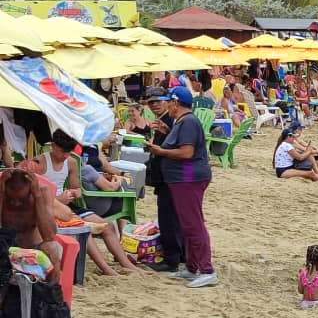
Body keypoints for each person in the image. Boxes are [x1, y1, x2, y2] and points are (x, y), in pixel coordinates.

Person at [36, 130, 138, 275]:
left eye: (68, 152)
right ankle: (107, 269)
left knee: (107, 226)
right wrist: (59, 199)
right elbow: (37, 196)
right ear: (53, 146)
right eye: (62, 151)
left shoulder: (71, 162)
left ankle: (127, 265)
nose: (65, 155)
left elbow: (76, 188)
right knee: (84, 230)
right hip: (48, 207)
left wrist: (74, 193)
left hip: (66, 204)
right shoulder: (40, 162)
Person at [148, 86, 217, 288]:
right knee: (188, 225)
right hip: (183, 178)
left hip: (188, 178)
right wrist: (167, 133)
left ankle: (206, 269)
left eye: (169, 101)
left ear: (176, 103)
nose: (167, 105)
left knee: (193, 224)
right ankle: (192, 267)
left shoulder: (187, 121)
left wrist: (160, 151)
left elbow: (187, 153)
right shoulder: (183, 122)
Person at [142, 87, 184, 272]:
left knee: (169, 218)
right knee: (174, 217)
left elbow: (180, 148)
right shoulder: (165, 120)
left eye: (158, 101)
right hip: (168, 176)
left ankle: (172, 259)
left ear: (169, 101)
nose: (155, 105)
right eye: (151, 102)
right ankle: (180, 255)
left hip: (172, 176)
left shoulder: (174, 121)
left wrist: (164, 135)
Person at [0, 169, 61, 283]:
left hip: (34, 250)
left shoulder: (41, 193)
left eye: (22, 200)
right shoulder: (1, 192)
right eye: (11, 200)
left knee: (52, 248)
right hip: (7, 251)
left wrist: (37, 196)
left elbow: (49, 236)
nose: (16, 204)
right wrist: (1, 194)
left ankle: (52, 294)